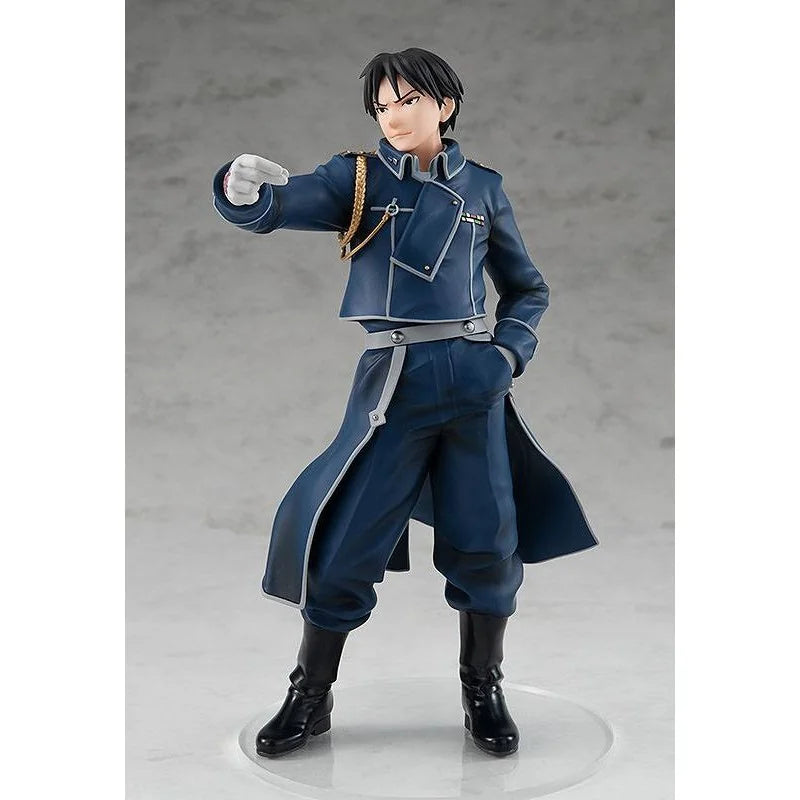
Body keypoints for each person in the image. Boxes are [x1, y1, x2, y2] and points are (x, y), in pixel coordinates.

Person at [212, 47, 597, 758]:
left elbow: (527, 287)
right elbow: (286, 203)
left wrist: (506, 356)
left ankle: (483, 686)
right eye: (382, 105)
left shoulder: (483, 187)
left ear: (444, 106)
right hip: (394, 379)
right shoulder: (356, 178)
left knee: (487, 542)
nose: (393, 116)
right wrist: (247, 193)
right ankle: (310, 693)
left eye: (409, 100)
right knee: (345, 539)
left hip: (474, 379)